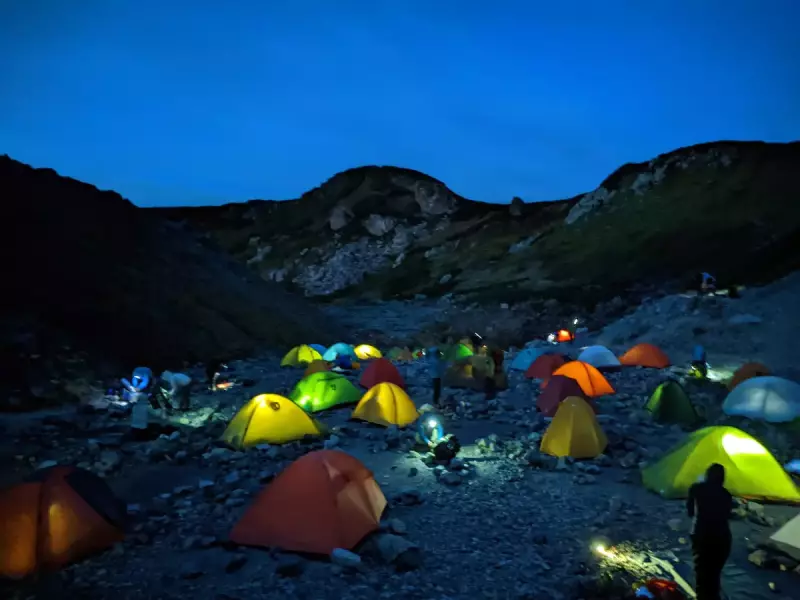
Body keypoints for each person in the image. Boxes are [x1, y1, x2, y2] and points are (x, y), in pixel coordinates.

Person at [686, 463, 734, 600]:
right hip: (723, 539)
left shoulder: (696, 489)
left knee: (702, 575)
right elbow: (726, 514)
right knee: (714, 574)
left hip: (703, 536)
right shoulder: (727, 495)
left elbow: (690, 512)